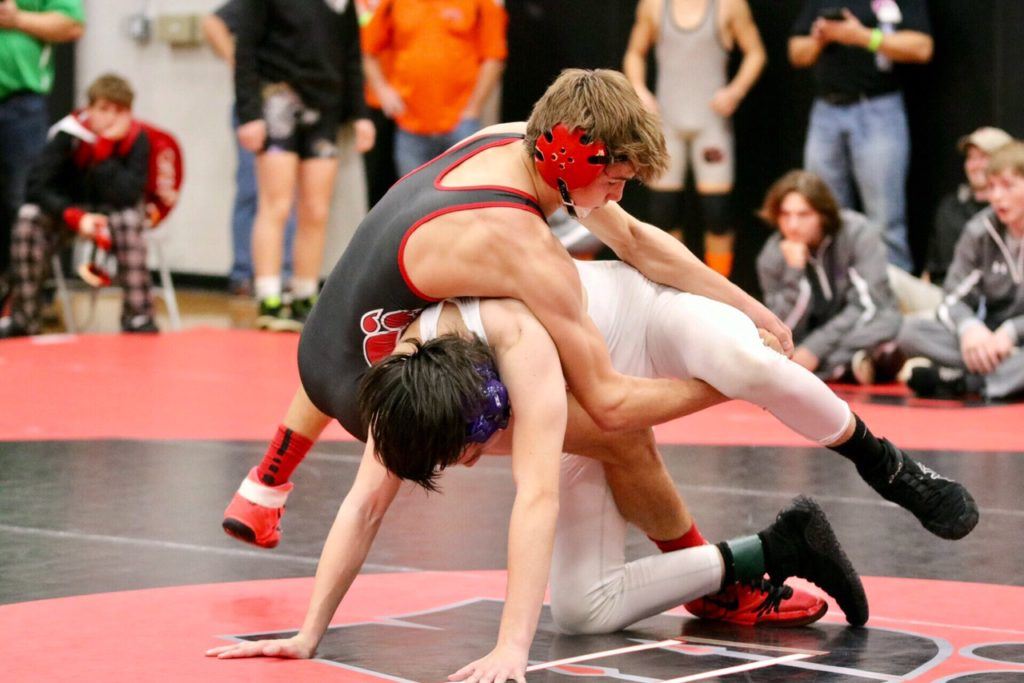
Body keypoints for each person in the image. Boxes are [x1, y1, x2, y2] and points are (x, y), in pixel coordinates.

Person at [219, 68, 971, 633]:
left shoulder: (510, 143)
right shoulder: (517, 252)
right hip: (369, 362)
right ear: (571, 156)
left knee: (677, 404)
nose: (618, 192)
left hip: (329, 350)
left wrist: (745, 308)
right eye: (614, 176)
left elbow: (635, 243)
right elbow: (598, 416)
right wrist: (726, 382)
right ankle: (746, 559)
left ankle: (886, 469)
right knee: (610, 484)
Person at [206, 288, 871, 683]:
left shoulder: (517, 342)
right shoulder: (404, 393)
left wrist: (511, 646)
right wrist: (308, 631)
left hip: (627, 343)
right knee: (583, 611)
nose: (465, 468)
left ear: (487, 409)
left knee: (621, 439)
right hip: (570, 399)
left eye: (464, 453)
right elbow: (362, 506)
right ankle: (777, 545)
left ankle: (729, 570)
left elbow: (536, 497)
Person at [234, 0, 375, 331]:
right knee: (276, 204)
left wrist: (360, 115)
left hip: (325, 108)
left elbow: (352, 55)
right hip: (278, 100)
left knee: (315, 209)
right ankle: (269, 294)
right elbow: (246, 50)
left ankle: (304, 292)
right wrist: (249, 113)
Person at [0, 73, 157, 337]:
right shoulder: (68, 135)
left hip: (111, 216)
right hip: (66, 214)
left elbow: (129, 194)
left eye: (118, 111)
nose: (109, 118)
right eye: (103, 109)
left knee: (130, 219)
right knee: (28, 217)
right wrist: (72, 215)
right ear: (89, 109)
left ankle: (138, 315)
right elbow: (36, 186)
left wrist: (105, 152)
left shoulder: (136, 141)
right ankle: (24, 316)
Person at [623, 0, 765, 277]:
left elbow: (755, 52)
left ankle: (719, 290)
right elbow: (634, 53)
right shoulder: (654, 6)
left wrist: (736, 91)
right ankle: (676, 284)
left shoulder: (729, 6)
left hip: (711, 123)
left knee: (717, 213)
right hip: (668, 123)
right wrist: (639, 89)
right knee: (664, 212)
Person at [789, 0, 933, 272]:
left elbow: (922, 47)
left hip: (878, 108)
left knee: (884, 218)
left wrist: (863, 36)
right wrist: (821, 38)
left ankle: (892, 301)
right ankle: (833, 294)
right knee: (821, 212)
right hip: (826, 111)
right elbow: (797, 53)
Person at [897, 141, 1024, 401]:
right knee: (908, 331)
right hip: (987, 342)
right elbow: (952, 297)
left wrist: (1013, 331)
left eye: (1008, 186)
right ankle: (1000, 377)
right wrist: (969, 329)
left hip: (1015, 338)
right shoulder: (979, 231)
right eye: (991, 187)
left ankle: (968, 381)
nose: (997, 197)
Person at [757, 170, 903, 385]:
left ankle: (833, 367)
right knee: (773, 349)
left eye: (803, 215)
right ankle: (850, 365)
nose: (793, 225)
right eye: (785, 215)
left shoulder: (857, 233)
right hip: (822, 335)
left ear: (823, 215)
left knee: (891, 324)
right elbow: (780, 327)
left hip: (865, 319)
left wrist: (814, 350)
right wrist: (794, 272)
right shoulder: (772, 254)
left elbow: (867, 306)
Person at [200, 1, 296, 297]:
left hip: (294, 107)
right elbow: (212, 23)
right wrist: (238, 62)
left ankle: (284, 274)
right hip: (258, 104)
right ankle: (244, 273)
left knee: (287, 196)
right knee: (251, 189)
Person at [361, 0, 507, 176]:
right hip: (410, 126)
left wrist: (473, 107)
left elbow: (494, 56)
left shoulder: (480, 4)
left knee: (463, 197)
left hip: (461, 125)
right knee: (413, 198)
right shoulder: (393, 3)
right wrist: (382, 90)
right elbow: (368, 48)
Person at [0, 0, 84, 283]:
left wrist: (17, 18)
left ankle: (29, 298)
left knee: (23, 200)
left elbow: (72, 24)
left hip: (19, 104)